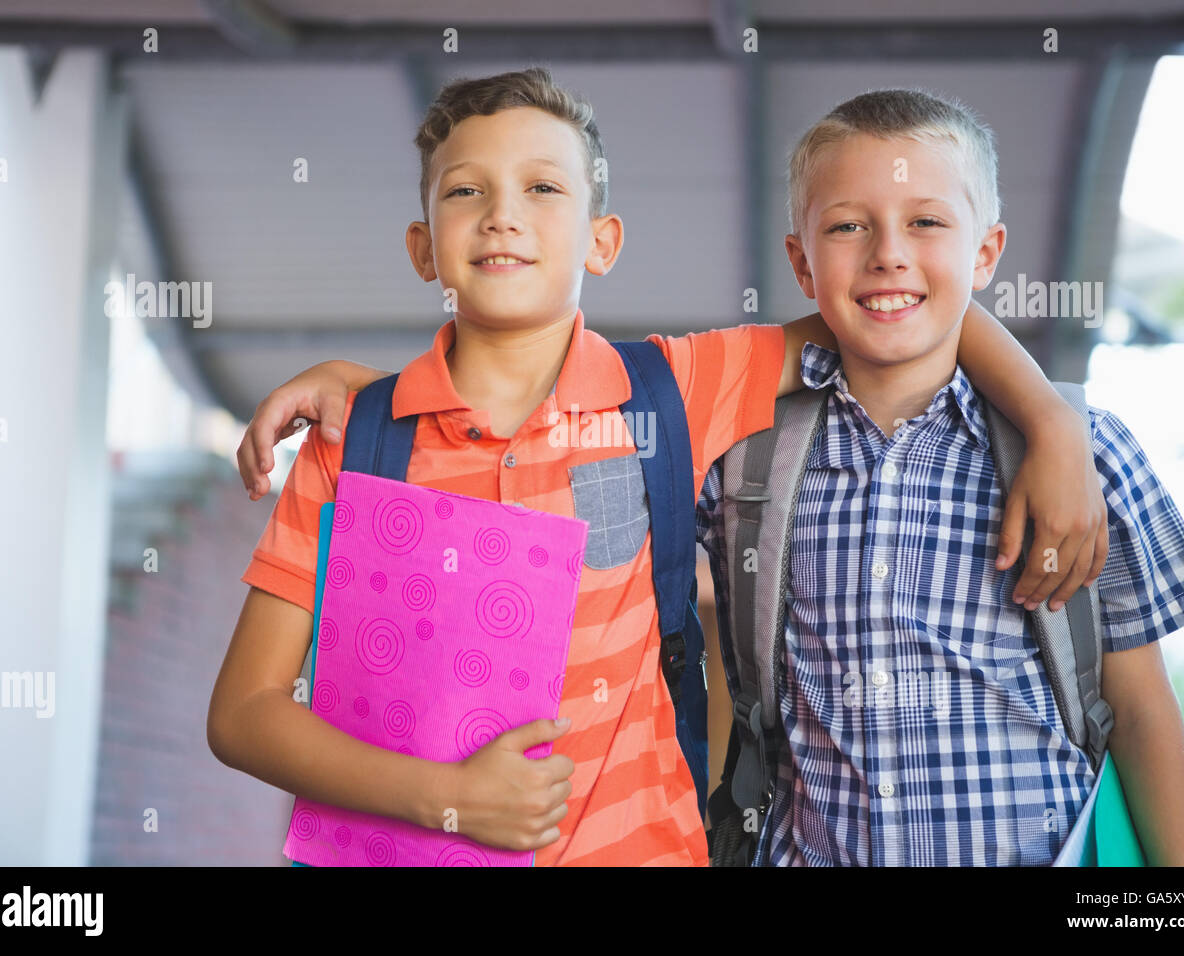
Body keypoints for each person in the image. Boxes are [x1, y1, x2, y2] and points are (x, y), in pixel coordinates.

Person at [214, 68, 1109, 866]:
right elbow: (244, 715)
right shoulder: (356, 446)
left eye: (542, 186)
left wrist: (1050, 423)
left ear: (603, 242)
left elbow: (893, 306)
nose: (503, 214)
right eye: (466, 191)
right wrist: (444, 800)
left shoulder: (674, 393)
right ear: (423, 249)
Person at [698, 88, 1184, 865]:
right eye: (848, 225)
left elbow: (1141, 711)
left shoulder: (1086, 455)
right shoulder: (740, 464)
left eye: (927, 222)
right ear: (802, 262)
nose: (888, 254)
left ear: (986, 252)